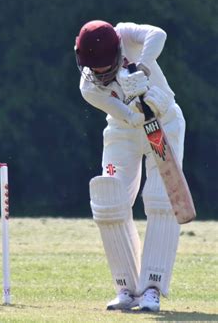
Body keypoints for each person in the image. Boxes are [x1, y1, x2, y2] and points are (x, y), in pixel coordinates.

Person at [74, 21, 186, 312]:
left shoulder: (124, 33)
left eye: (103, 66)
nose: (98, 73)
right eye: (93, 67)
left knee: (161, 200)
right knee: (110, 199)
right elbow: (126, 116)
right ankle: (126, 287)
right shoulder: (89, 86)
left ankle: (152, 287)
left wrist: (143, 69)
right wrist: (137, 110)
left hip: (163, 126)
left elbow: (158, 33)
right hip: (125, 130)